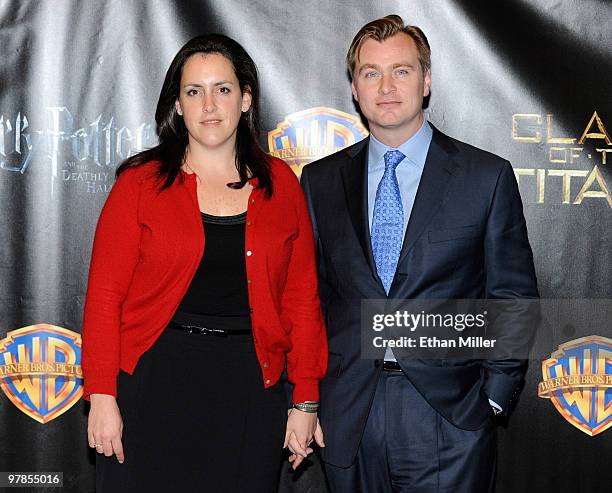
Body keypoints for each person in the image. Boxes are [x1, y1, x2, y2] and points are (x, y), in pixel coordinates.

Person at [300, 15, 538, 493]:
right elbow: (310, 299)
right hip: (351, 412)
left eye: (402, 71)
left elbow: (512, 297)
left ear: (426, 81)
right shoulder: (320, 181)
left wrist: (491, 400)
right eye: (371, 73)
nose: (386, 86)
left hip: (449, 414)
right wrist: (309, 401)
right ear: (355, 86)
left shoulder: (483, 177)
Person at [82, 33, 327, 493]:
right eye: (194, 91)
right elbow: (103, 299)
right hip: (151, 386)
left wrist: (306, 400)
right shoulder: (139, 186)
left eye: (223, 89)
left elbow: (302, 300)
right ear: (177, 104)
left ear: (247, 98)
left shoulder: (283, 186)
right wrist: (101, 395)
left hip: (251, 391)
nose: (209, 105)